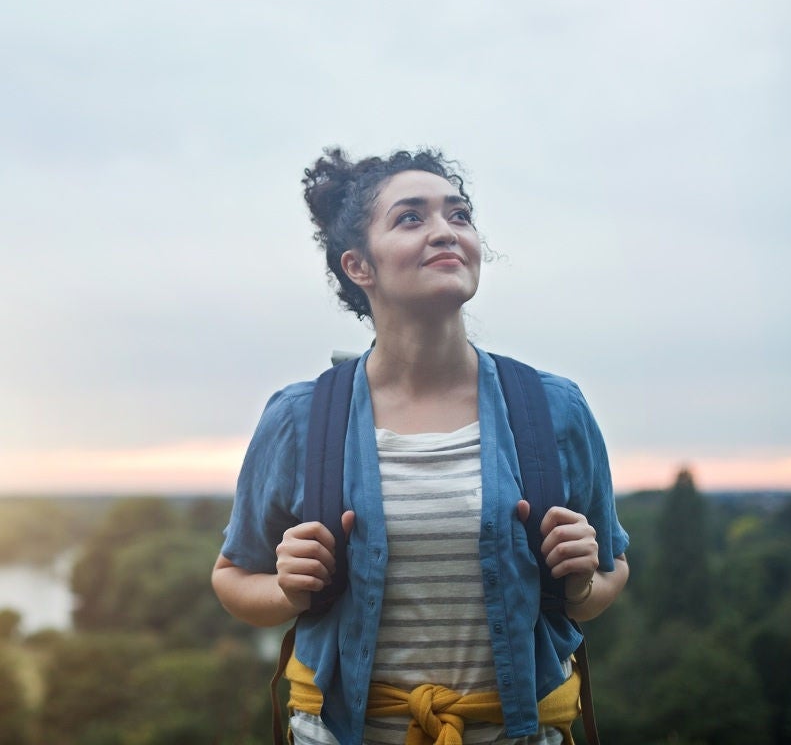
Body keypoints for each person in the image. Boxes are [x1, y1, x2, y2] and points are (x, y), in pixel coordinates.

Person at [211, 148, 630, 745]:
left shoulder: (555, 409)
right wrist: (283, 589)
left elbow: (607, 579)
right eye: (411, 218)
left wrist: (584, 580)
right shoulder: (301, 418)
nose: (445, 231)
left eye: (458, 215)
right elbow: (231, 577)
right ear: (359, 266)